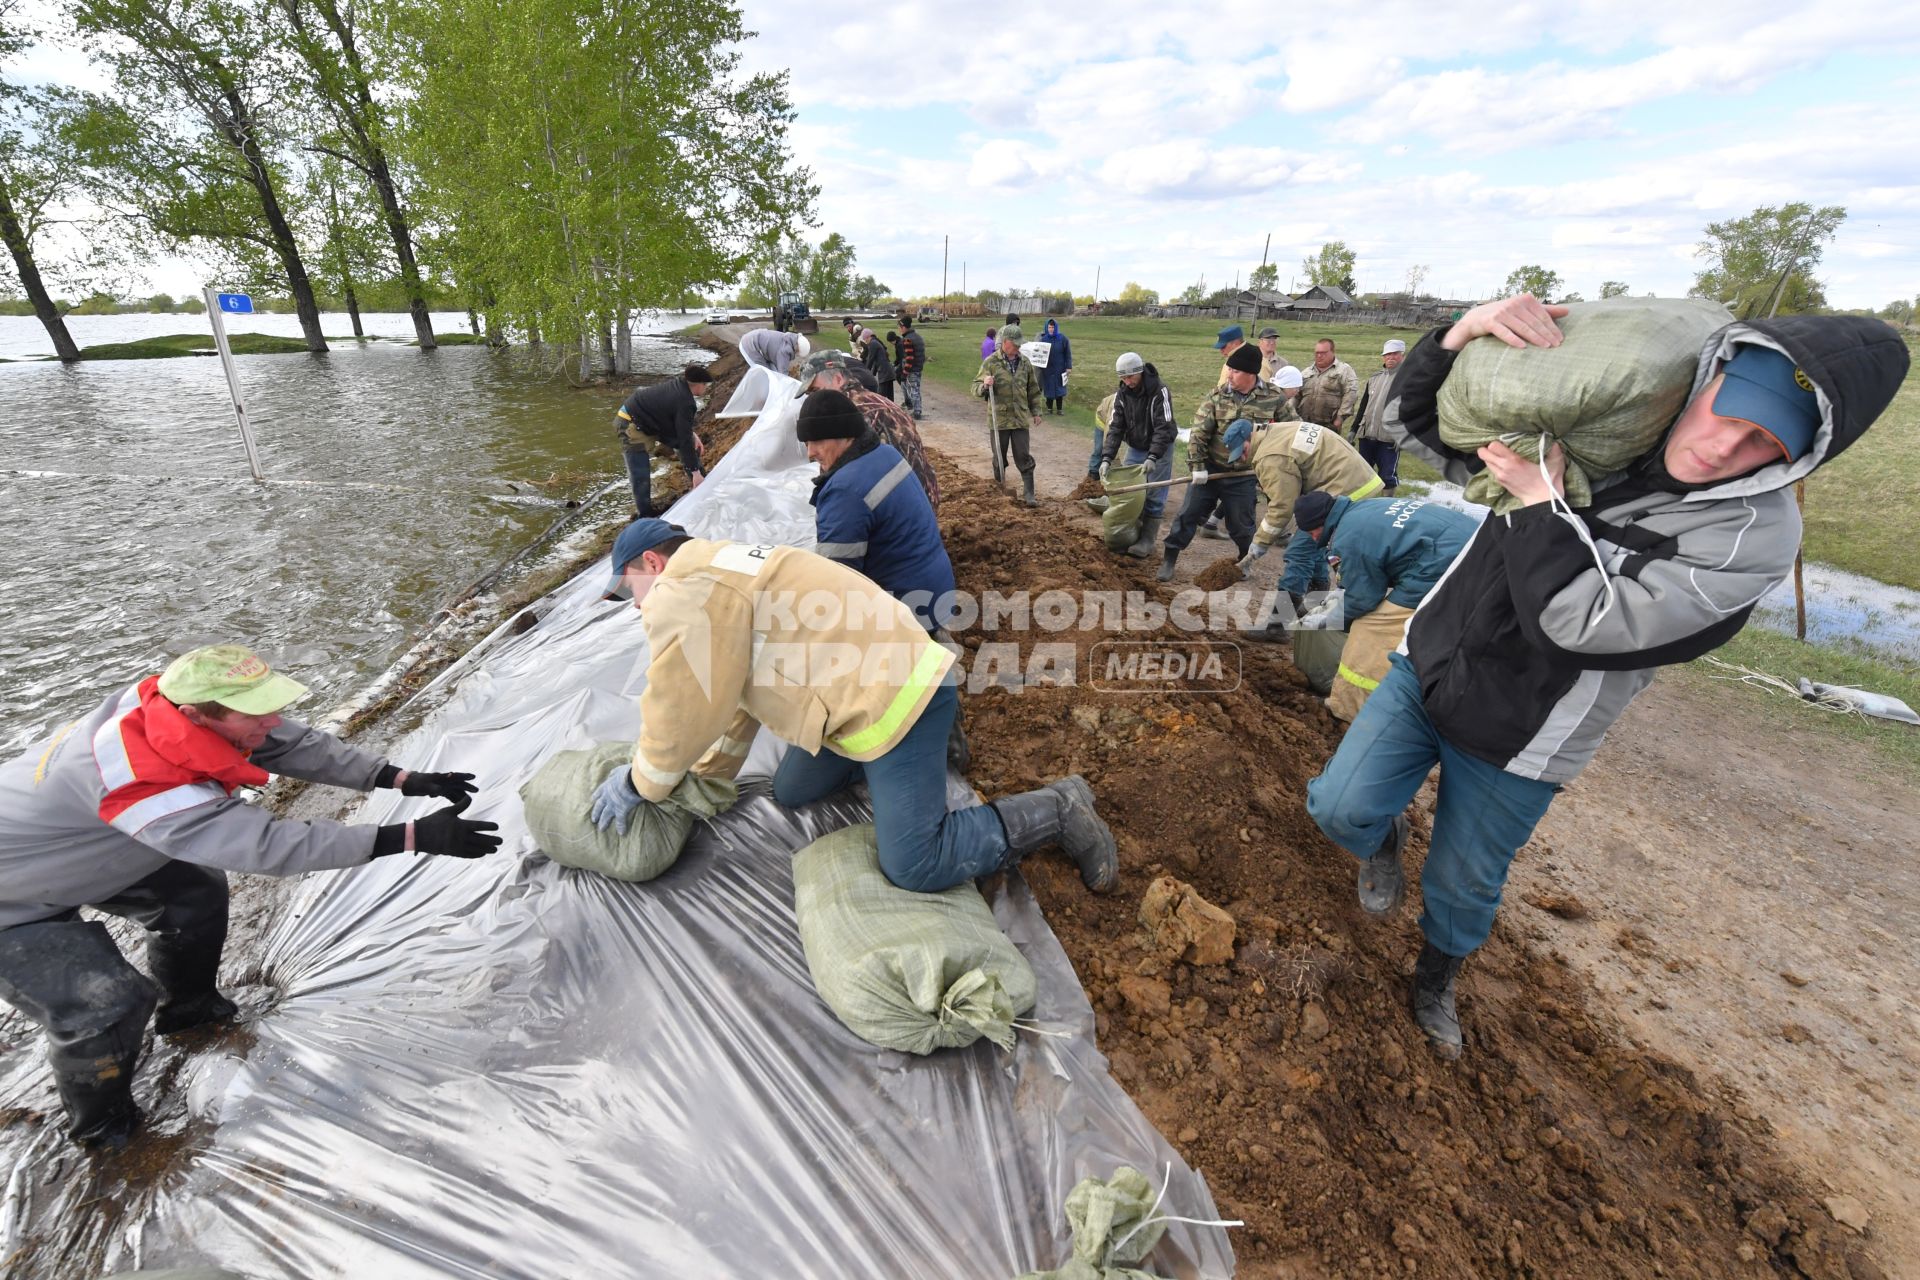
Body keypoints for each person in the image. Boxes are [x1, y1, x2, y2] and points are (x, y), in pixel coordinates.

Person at [1305, 296, 1909, 1059]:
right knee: (1337, 809)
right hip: (1430, 669)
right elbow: (1423, 429)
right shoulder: (1604, 424)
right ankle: (1383, 830)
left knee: (1462, 887)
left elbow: (1588, 623)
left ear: (1801, 457)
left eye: (1766, 443)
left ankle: (1436, 978)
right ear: (1705, 382)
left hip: (1525, 734)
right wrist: (1456, 336)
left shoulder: (1749, 538)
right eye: (1731, 412)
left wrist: (1538, 505)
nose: (1726, 447)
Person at [0, 645, 502, 1148]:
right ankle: (104, 1131)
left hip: (78, 847)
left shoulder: (179, 706)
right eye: (256, 713)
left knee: (193, 894)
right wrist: (408, 836)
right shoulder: (144, 784)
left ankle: (190, 1013)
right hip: (12, 897)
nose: (272, 720)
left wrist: (396, 777)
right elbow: (267, 846)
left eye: (271, 705)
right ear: (196, 715)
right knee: (105, 1005)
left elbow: (285, 742)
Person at [589, 521, 1120, 897]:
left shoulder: (679, 591)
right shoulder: (720, 565)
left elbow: (680, 706)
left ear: (652, 563)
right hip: (881, 670)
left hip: (895, 698)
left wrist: (641, 783)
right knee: (791, 789)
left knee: (915, 864)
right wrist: (707, 778)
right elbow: (727, 696)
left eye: (630, 589)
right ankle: (934, 744)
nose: (636, 605)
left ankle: (1059, 808)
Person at [1289, 490, 1474, 720]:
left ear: (1321, 522)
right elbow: (1372, 563)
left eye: (1311, 532)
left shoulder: (1348, 536)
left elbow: (1364, 599)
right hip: (1477, 544)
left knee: (1370, 629)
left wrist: (1330, 619)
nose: (1314, 538)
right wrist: (1342, 590)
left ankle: (1347, 708)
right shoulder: (1364, 508)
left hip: (1445, 565)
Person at [798, 390, 956, 636]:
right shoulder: (886, 454)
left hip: (905, 611)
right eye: (807, 443)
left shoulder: (844, 490)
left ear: (844, 435)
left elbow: (837, 578)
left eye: (817, 441)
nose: (810, 453)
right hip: (937, 589)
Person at [1236, 373, 1384, 608]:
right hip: (1360, 479)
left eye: (1241, 453)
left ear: (1247, 440)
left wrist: (1259, 544)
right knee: (1315, 541)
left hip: (1347, 489)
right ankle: (1316, 600)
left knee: (1299, 551)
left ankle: (1278, 623)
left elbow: (1283, 506)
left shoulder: (1270, 456)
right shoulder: (1275, 431)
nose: (1242, 459)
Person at [1156, 342, 1278, 581]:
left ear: (1251, 373)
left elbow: (1289, 430)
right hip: (1210, 471)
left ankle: (1244, 562)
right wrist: (1198, 467)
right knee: (1187, 515)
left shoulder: (1273, 398)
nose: (1229, 375)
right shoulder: (1217, 395)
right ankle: (1169, 559)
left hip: (1243, 475)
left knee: (1243, 526)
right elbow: (1199, 434)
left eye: (1235, 371)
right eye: (1229, 369)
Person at [798, 350, 939, 508]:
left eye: (816, 391)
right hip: (925, 504)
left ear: (838, 379)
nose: (812, 399)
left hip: (901, 512)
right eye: (809, 394)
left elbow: (841, 482)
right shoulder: (881, 401)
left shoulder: (848, 416)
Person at [1098, 351, 1177, 559]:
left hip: (1160, 447)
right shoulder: (1123, 394)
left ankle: (1147, 540)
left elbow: (1164, 427)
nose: (1127, 382)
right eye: (1123, 378)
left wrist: (1153, 456)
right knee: (1128, 489)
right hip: (1136, 446)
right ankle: (1130, 533)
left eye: (1130, 377)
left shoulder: (1160, 392)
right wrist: (1106, 458)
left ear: (1140, 372)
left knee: (1153, 493)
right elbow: (1116, 427)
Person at [616, 365, 711, 517]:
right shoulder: (686, 401)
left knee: (685, 445)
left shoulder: (680, 386)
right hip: (631, 424)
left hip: (652, 421)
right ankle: (645, 515)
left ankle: (701, 483)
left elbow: (681, 427)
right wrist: (695, 471)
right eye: (706, 385)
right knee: (639, 472)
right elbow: (684, 439)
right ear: (698, 384)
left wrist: (693, 435)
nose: (706, 388)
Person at [973, 323, 1045, 506]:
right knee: (999, 457)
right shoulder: (991, 363)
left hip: (1020, 419)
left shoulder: (1025, 363)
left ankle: (1029, 495)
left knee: (1024, 457)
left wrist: (1036, 411)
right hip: (1000, 420)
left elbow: (1033, 390)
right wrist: (984, 385)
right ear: (1005, 343)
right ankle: (1000, 491)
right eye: (1016, 344)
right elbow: (974, 387)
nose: (1019, 347)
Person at [1350, 339, 1407, 493]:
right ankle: (1362, 508)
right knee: (1362, 475)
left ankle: (1385, 510)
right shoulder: (1374, 378)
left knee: (1387, 477)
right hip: (1367, 435)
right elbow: (1364, 406)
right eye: (1387, 354)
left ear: (1403, 355)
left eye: (1395, 354)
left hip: (1389, 438)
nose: (1390, 357)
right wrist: (1353, 430)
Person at [1297, 338, 1359, 435]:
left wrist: (1339, 419)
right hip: (1304, 425)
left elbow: (1351, 394)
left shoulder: (1344, 371)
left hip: (1329, 426)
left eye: (1323, 353)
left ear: (1333, 352)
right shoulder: (1306, 373)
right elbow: (1295, 395)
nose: (1319, 356)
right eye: (1317, 353)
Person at [1214, 323, 1275, 388]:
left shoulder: (1256, 361)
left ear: (1235, 343)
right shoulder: (1231, 359)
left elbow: (1261, 393)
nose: (1221, 350)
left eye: (1223, 346)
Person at [895, 313, 927, 420]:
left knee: (913, 389)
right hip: (918, 367)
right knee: (916, 388)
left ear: (903, 327)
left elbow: (909, 358)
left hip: (912, 369)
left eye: (899, 327)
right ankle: (917, 409)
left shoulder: (907, 339)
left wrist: (904, 373)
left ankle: (917, 412)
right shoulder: (917, 336)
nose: (899, 330)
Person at [1038, 318, 1073, 415]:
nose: (1051, 329)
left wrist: (1068, 367)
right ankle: (1049, 409)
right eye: (1049, 327)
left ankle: (1059, 409)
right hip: (1047, 369)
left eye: (1053, 327)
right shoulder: (1043, 340)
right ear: (1046, 327)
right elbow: (1039, 354)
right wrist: (1040, 366)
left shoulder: (1063, 339)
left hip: (1060, 368)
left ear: (1056, 327)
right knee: (1048, 388)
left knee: (1059, 389)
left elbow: (1068, 354)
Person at [739, 326, 809, 373]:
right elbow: (782, 372)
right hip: (749, 346)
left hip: (753, 340)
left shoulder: (789, 339)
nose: (796, 354)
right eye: (798, 352)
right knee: (764, 373)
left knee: (772, 371)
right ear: (797, 348)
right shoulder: (785, 350)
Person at [856, 327, 896, 402]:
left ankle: (882, 411)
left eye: (865, 339)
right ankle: (891, 410)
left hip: (884, 372)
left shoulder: (872, 343)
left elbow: (870, 359)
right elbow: (875, 360)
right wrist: (872, 373)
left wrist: (865, 371)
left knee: (881, 396)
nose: (865, 341)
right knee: (890, 395)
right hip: (888, 370)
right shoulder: (875, 342)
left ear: (868, 337)